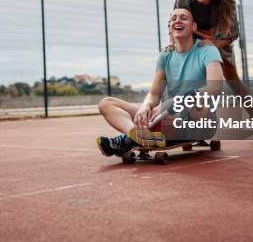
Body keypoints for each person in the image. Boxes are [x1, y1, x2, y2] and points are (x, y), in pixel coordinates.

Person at [96, 8, 224, 157]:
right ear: (170, 26)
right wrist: (145, 106)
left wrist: (170, 103)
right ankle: (137, 135)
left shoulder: (208, 50)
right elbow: (154, 93)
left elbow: (215, 88)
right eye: (173, 18)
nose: (177, 20)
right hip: (169, 117)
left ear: (194, 27)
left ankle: (128, 140)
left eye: (183, 18)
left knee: (195, 100)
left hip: (199, 118)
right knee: (106, 103)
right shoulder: (165, 55)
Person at [172, 0, 253, 142]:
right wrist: (173, 45)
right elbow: (177, 21)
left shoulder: (228, 4)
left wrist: (212, 44)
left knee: (234, 83)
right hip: (191, 37)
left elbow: (232, 34)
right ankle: (192, 124)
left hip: (219, 40)